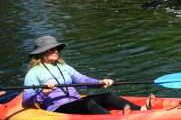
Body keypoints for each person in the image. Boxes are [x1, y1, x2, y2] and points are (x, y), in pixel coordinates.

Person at [22, 36, 153, 114]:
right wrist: (43, 93)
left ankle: (140, 110)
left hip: (75, 102)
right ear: (41, 53)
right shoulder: (34, 73)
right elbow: (27, 99)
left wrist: (100, 83)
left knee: (109, 96)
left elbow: (82, 80)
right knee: (88, 103)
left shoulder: (63, 66)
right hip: (57, 109)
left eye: (57, 49)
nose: (56, 51)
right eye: (51, 50)